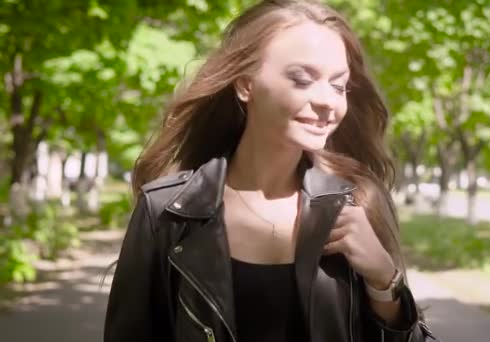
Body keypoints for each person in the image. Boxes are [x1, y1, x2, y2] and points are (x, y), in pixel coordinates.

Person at [104, 0, 437, 341]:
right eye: (302, 79)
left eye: (339, 85)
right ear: (246, 85)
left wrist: (384, 278)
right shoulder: (169, 214)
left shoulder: (357, 203)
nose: (327, 100)